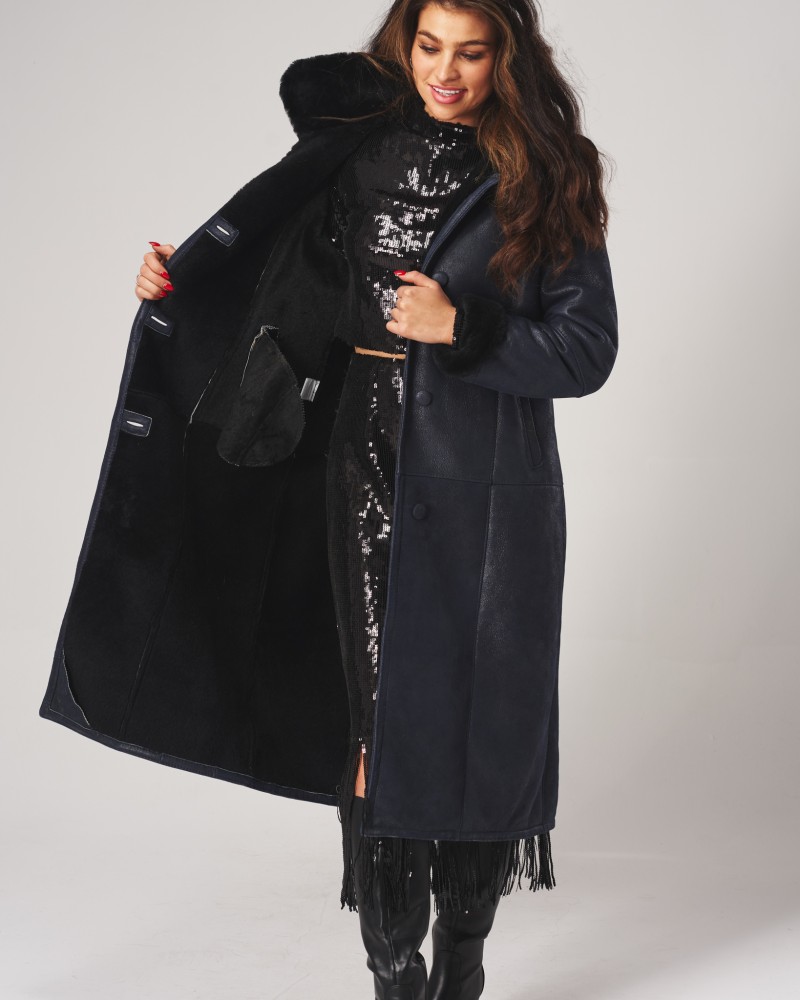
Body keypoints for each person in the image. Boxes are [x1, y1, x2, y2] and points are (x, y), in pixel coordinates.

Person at [113, 2, 614, 998]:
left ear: (507, 58)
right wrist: (181, 284)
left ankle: (462, 968)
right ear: (403, 43)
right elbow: (286, 281)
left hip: (489, 485)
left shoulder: (546, 173)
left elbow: (585, 349)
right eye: (428, 46)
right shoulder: (357, 149)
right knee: (378, 731)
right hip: (367, 463)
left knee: (478, 729)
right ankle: (395, 975)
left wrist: (461, 327)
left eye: (471, 52)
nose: (445, 72)